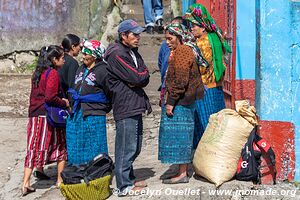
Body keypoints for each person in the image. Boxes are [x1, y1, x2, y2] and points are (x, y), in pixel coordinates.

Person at [103, 19, 151, 196]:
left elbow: (144, 76)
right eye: (134, 34)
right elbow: (137, 78)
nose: (138, 37)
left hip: (135, 102)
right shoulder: (116, 54)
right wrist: (137, 79)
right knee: (126, 146)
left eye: (138, 34)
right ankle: (124, 186)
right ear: (123, 36)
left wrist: (138, 79)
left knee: (135, 146)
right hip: (125, 103)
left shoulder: (132, 52)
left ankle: (129, 177)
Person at [158, 22, 204, 184]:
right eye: (166, 39)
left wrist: (171, 102)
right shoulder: (178, 50)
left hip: (182, 102)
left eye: (170, 38)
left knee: (181, 137)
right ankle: (180, 170)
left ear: (179, 37)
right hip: (180, 100)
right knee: (177, 137)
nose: (167, 42)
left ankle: (183, 174)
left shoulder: (184, 51)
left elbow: (181, 80)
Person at [22, 45, 69, 196]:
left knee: (33, 146)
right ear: (54, 60)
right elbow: (50, 97)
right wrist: (64, 102)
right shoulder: (53, 74)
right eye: (62, 58)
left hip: (35, 115)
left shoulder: (37, 73)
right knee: (61, 145)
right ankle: (60, 180)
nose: (64, 60)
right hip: (47, 116)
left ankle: (26, 183)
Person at [184, 3, 232, 148]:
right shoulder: (214, 38)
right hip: (216, 89)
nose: (191, 28)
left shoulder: (202, 43)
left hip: (204, 92)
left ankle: (204, 164)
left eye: (194, 25)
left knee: (206, 129)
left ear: (203, 27)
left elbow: (202, 68)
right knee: (216, 127)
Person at [66, 39, 111, 165]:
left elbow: (109, 92)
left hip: (94, 113)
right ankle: (78, 168)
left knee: (94, 143)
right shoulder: (81, 68)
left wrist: (104, 107)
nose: (83, 56)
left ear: (95, 55)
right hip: (78, 112)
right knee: (78, 141)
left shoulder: (103, 70)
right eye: (83, 53)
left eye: (86, 54)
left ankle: (97, 170)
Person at [58, 34, 81, 98]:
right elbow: (72, 86)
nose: (80, 49)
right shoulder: (72, 63)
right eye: (79, 46)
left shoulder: (58, 59)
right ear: (73, 47)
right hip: (64, 100)